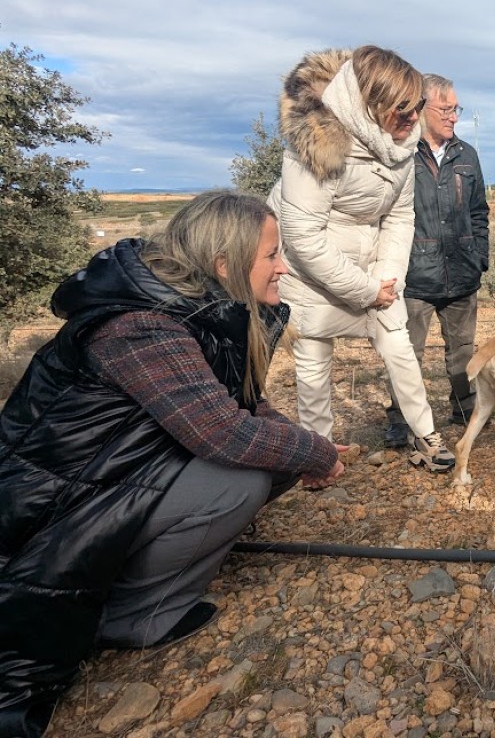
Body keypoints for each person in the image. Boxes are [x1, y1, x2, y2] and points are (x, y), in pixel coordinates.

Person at [0, 191, 346, 738]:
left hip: (111, 480)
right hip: (52, 511)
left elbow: (242, 404)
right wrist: (316, 452)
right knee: (241, 477)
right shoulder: (142, 327)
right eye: (273, 255)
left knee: (273, 456)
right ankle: (134, 614)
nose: (284, 267)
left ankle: (148, 565)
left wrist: (299, 442)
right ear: (225, 265)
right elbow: (223, 433)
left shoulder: (199, 309)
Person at [266, 46, 455, 472]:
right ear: (370, 104)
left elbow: (400, 215)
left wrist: (386, 280)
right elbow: (303, 237)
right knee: (313, 363)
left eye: (416, 110)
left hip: (372, 271)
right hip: (312, 273)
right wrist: (365, 289)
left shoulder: (400, 146)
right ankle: (320, 454)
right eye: (401, 111)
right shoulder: (316, 146)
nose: (411, 122)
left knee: (399, 348)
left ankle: (424, 435)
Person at [384, 74, 489, 445]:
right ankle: (400, 419)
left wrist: (481, 258)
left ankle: (464, 409)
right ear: (423, 108)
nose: (454, 117)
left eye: (456, 109)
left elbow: (479, 212)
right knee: (404, 352)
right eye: (446, 109)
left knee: (463, 351)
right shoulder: (399, 152)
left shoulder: (467, 156)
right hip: (414, 277)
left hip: (462, 273)